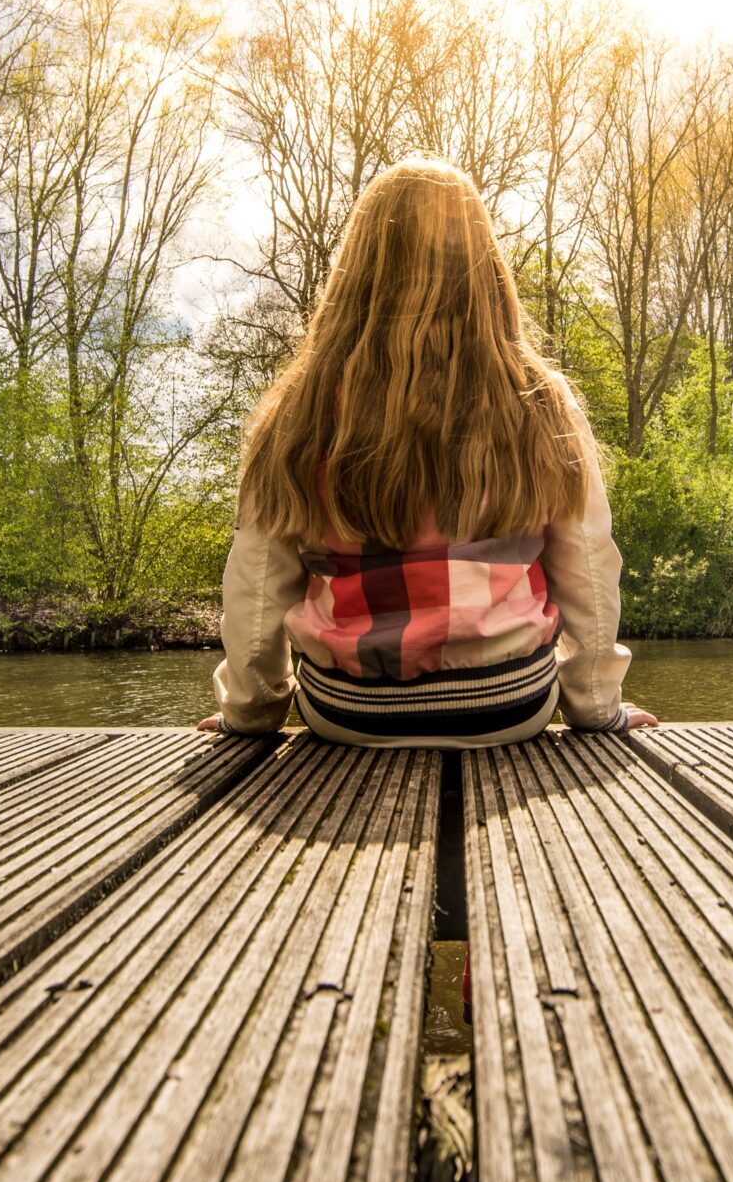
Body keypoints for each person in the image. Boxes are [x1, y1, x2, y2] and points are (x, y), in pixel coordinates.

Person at [202, 158, 655, 745]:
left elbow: (257, 583)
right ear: (483, 266)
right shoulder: (538, 401)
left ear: (357, 266)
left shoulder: (299, 410)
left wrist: (251, 712)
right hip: (508, 702)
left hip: (346, 710)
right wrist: (597, 707)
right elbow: (588, 568)